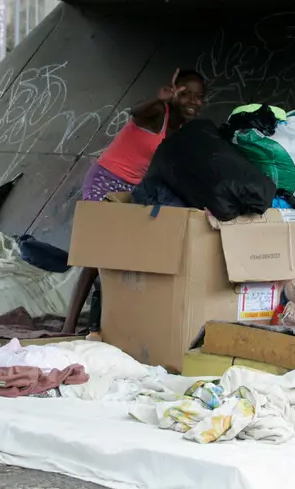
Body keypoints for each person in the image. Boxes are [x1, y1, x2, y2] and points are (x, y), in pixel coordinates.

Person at [62, 68, 206, 334]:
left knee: (125, 254)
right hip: (106, 179)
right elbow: (135, 111)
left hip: (135, 188)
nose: (194, 103)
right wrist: (160, 99)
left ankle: (112, 322)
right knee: (97, 256)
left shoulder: (184, 130)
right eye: (188, 95)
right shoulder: (157, 114)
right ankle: (69, 325)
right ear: (175, 92)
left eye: (200, 98)